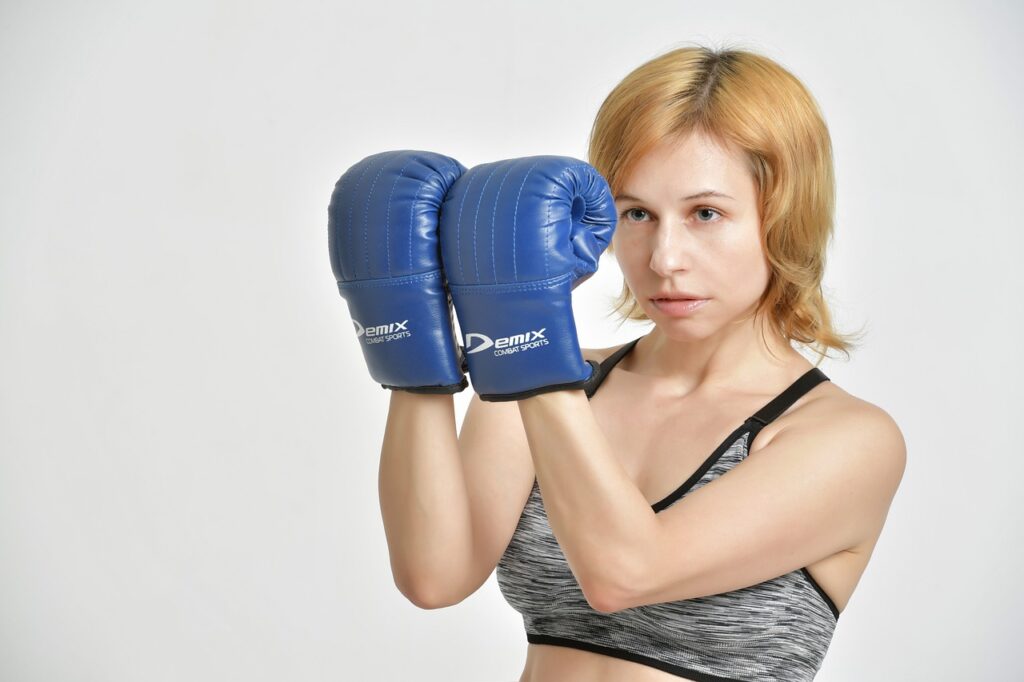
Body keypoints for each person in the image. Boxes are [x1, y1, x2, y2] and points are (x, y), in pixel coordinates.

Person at [330, 44, 906, 682]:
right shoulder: (555, 378)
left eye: (705, 213)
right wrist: (414, 350)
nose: (664, 258)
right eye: (637, 213)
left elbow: (626, 573)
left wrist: (524, 342)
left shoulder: (847, 440)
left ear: (785, 218)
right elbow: (433, 575)